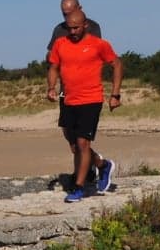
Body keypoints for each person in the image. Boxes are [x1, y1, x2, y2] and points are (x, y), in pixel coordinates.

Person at [47, 10, 123, 202]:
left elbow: (117, 64)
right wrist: (51, 88)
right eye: (69, 28)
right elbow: (54, 67)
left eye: (76, 28)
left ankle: (79, 188)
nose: (72, 32)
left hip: (91, 99)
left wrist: (115, 94)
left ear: (85, 25)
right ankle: (102, 165)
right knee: (74, 146)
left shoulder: (98, 44)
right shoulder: (60, 43)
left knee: (83, 143)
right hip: (68, 99)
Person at [48, 0, 103, 189]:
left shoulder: (92, 27)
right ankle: (95, 163)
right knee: (70, 136)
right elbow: (52, 57)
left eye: (70, 13)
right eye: (64, 14)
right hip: (66, 89)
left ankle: (85, 175)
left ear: (80, 9)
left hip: (87, 92)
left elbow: (91, 52)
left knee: (81, 140)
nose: (68, 18)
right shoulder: (58, 29)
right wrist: (52, 84)